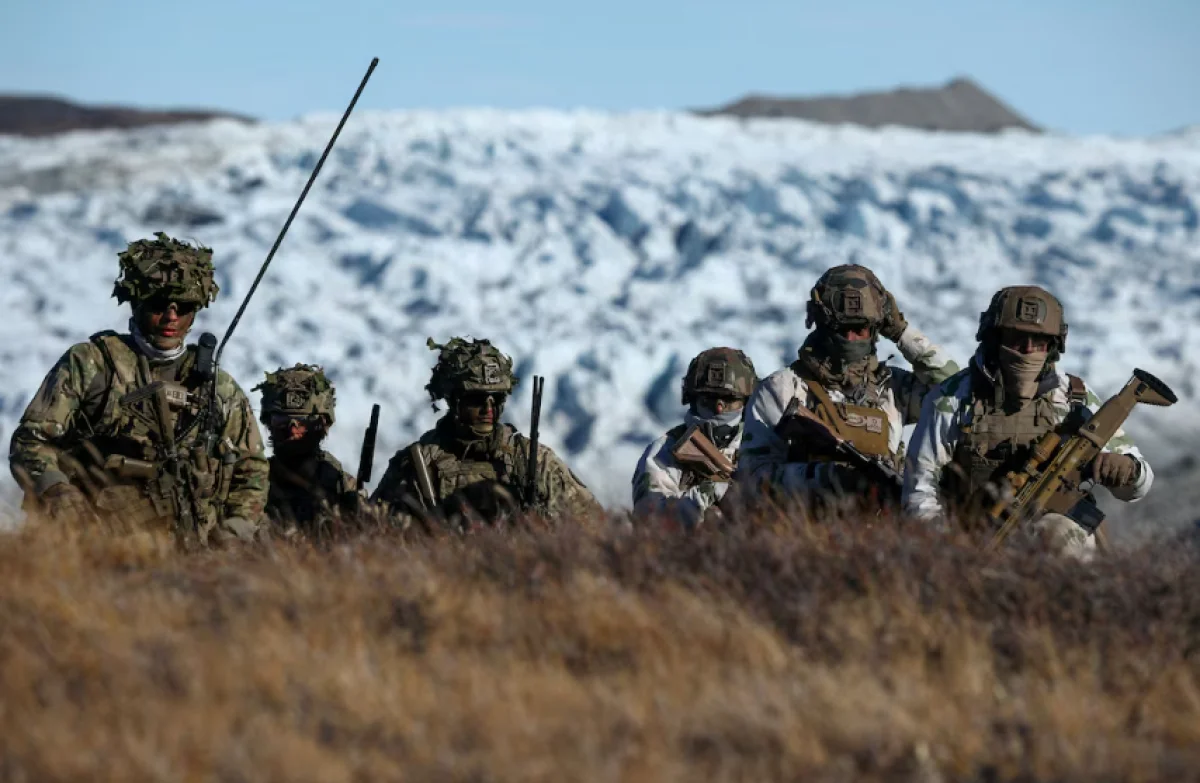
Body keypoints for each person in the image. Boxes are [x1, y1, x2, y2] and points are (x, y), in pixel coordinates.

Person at [9, 232, 268, 547]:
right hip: (92, 546)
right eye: (159, 304)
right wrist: (59, 493)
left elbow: (251, 468)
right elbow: (31, 441)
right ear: (136, 302)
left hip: (195, 554)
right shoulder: (93, 364)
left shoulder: (218, 387)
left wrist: (234, 529)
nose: (171, 316)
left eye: (183, 306)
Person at [903, 285, 1153, 558]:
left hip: (1054, 535)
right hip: (974, 538)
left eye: (1039, 342)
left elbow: (1138, 486)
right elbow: (920, 490)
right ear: (994, 339)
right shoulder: (952, 399)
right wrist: (948, 549)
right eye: (1016, 340)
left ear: (1053, 347)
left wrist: (1127, 470)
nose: (1028, 350)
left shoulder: (1073, 398)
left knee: (1064, 536)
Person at [739, 264, 959, 508]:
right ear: (821, 324)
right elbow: (751, 481)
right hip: (805, 532)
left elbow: (953, 389)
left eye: (860, 329)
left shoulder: (894, 389)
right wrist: (823, 477)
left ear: (876, 329)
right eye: (841, 329)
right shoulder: (782, 388)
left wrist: (901, 332)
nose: (851, 339)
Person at [371, 337, 602, 528]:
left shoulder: (533, 460)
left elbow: (593, 524)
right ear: (454, 400)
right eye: (476, 399)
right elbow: (377, 534)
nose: (488, 409)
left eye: (497, 398)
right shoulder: (417, 464)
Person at [631, 347, 757, 528]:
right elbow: (649, 520)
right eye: (709, 400)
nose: (719, 409)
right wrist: (705, 495)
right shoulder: (664, 453)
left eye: (730, 400)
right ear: (692, 399)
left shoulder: (760, 443)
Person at [254, 363, 361, 538]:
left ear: (323, 425)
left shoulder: (342, 485)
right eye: (281, 420)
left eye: (303, 420)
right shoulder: (251, 484)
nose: (292, 431)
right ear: (268, 423)